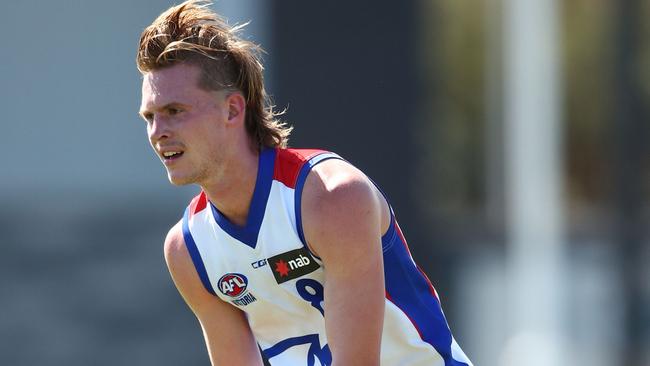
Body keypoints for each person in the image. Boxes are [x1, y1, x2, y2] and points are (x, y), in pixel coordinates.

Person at [136, 1, 473, 365]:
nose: (158, 133)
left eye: (174, 111)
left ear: (232, 110)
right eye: (149, 117)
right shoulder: (187, 250)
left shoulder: (333, 198)